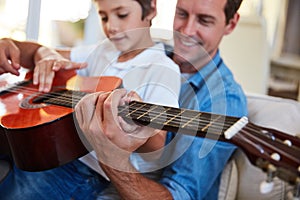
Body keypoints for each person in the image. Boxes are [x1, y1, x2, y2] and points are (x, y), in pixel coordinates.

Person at [0, 0, 247, 199]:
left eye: (204, 20)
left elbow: (177, 187)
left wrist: (122, 148)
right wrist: (40, 53)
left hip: (87, 174)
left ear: (231, 23)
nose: (186, 30)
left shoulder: (224, 101)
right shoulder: (127, 48)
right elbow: (47, 56)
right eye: (181, 14)